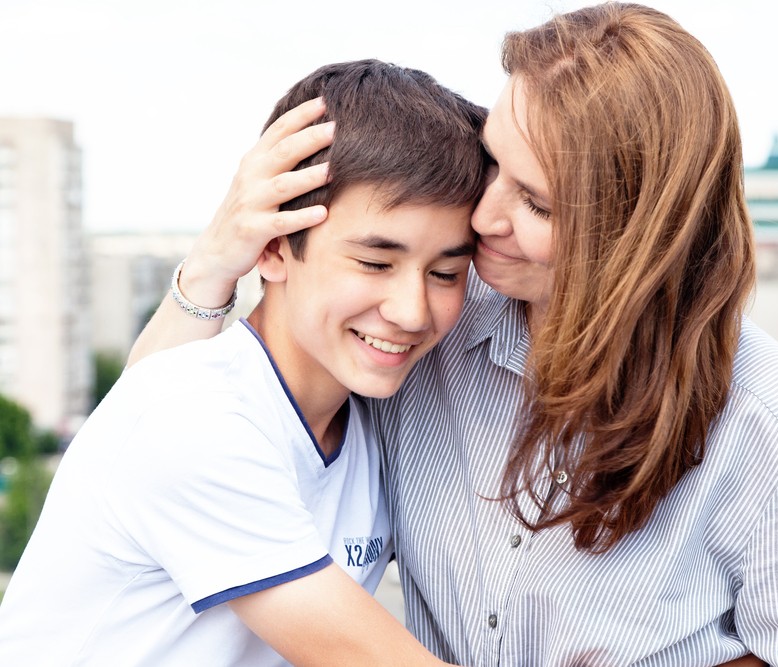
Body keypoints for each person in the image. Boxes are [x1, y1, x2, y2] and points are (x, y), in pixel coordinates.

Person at [128, 3, 778, 666]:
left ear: (635, 234)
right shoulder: (424, 331)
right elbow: (153, 441)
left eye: (536, 202)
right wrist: (211, 266)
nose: (485, 216)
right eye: (493, 161)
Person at [0, 60, 488, 666]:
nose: (413, 311)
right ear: (274, 248)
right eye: (375, 263)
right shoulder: (193, 420)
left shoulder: (371, 420)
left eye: (445, 273)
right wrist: (210, 263)